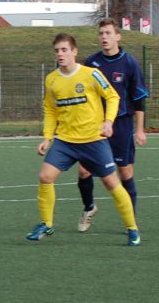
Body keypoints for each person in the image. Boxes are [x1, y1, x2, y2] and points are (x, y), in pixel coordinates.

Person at [26, 33, 141, 247]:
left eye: (64, 50)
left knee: (111, 182)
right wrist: (47, 137)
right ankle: (46, 224)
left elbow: (113, 97)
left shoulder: (91, 74)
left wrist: (108, 122)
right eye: (57, 50)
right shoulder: (52, 79)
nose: (60, 54)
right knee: (45, 176)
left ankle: (132, 228)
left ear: (74, 52)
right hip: (66, 141)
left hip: (93, 140)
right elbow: (50, 110)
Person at [75, 18, 149, 232]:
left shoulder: (130, 63)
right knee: (83, 171)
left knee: (124, 172)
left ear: (118, 36)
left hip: (122, 125)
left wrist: (140, 129)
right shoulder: (91, 62)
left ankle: (130, 221)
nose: (104, 37)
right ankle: (89, 208)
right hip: (95, 125)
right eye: (101, 33)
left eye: (108, 33)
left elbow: (139, 98)